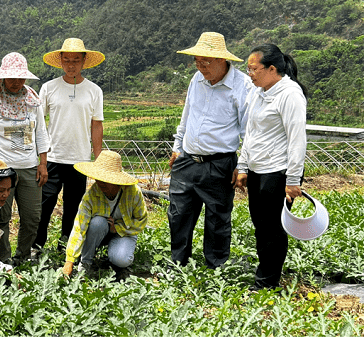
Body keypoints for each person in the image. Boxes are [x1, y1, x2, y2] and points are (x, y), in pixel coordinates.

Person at [167, 32, 253, 269]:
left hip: (219, 163)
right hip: (187, 160)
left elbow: (248, 131)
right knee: (178, 214)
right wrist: (177, 148)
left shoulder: (242, 86)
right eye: (197, 61)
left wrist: (243, 165)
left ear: (222, 60)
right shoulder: (196, 79)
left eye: (206, 62)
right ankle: (178, 263)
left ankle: (215, 267)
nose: (201, 66)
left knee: (217, 218)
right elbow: (186, 116)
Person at [236, 44, 308, 290]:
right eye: (248, 69)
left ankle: (266, 283)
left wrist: (293, 180)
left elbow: (296, 139)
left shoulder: (290, 94)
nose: (250, 74)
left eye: (254, 69)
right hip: (258, 170)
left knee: (272, 229)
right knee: (261, 225)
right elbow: (251, 132)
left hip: (277, 172)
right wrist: (243, 166)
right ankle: (266, 275)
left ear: (272, 68)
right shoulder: (259, 92)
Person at [0, 52, 50, 265]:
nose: (16, 83)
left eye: (21, 78)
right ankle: (4, 260)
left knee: (33, 217)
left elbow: (41, 133)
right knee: (1, 218)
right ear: (2, 77)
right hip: (0, 170)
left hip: (29, 167)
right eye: (12, 78)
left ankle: (23, 257)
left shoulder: (32, 100)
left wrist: (43, 163)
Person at [33, 38, 105, 252]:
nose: (71, 64)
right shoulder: (49, 88)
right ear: (60, 62)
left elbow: (96, 126)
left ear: (84, 61)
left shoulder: (94, 91)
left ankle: (65, 247)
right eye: (67, 60)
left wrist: (98, 159)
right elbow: (38, 123)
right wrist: (40, 159)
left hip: (79, 160)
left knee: (73, 207)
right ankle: (36, 246)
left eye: (76, 60)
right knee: (44, 205)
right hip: (53, 158)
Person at [61, 150, 148, 280]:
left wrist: (118, 228)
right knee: (97, 223)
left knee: (121, 259)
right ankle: (86, 263)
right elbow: (79, 227)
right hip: (99, 232)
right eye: (98, 179)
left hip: (124, 232)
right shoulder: (92, 195)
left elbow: (141, 220)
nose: (99, 183)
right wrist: (69, 261)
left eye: (105, 180)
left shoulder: (133, 193)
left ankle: (114, 257)